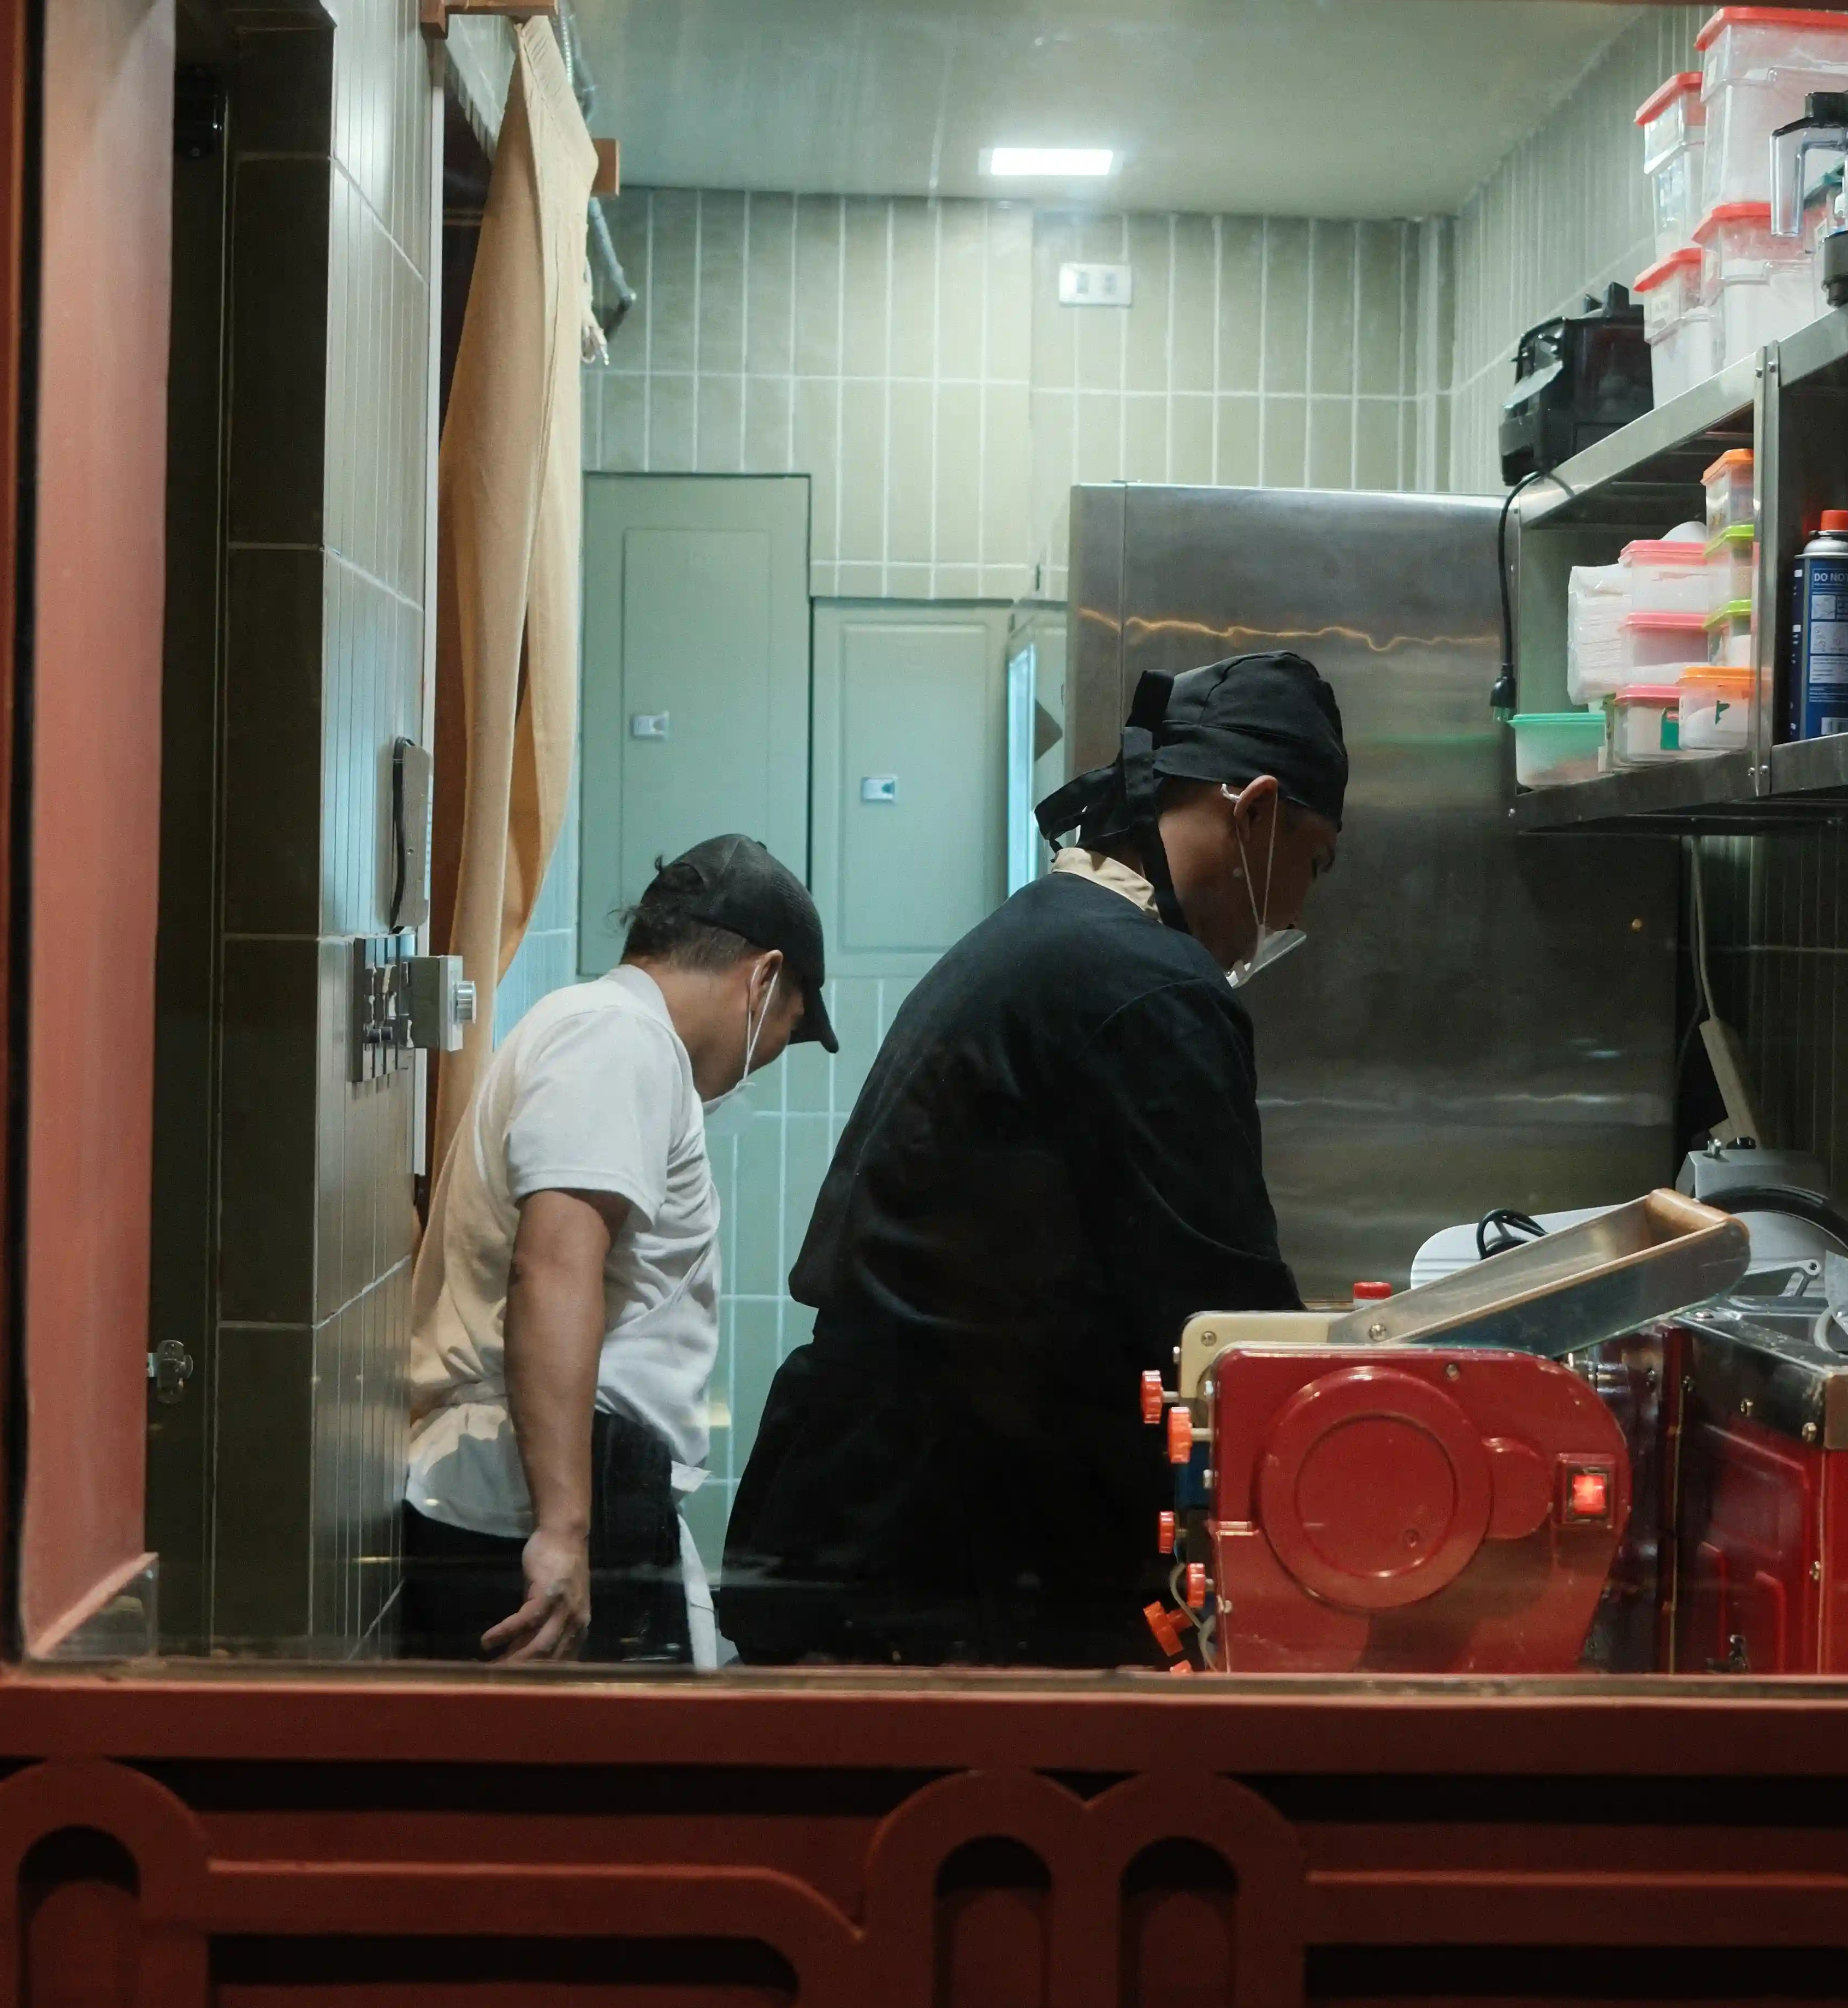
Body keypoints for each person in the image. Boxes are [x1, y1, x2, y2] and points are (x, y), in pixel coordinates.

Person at [720, 651, 1344, 1668]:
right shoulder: (1150, 987)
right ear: (1259, 811)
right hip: (946, 1568)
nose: (1298, 914)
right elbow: (1226, 1324)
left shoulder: (1045, 930)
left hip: (863, 1524)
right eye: (1312, 864)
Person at [401, 835, 834, 1664]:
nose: (766, 1062)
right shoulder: (616, 1039)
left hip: (559, 1492)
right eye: (791, 1027)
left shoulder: (607, 1033)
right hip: (527, 1513)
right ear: (764, 978)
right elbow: (552, 1268)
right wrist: (564, 1531)